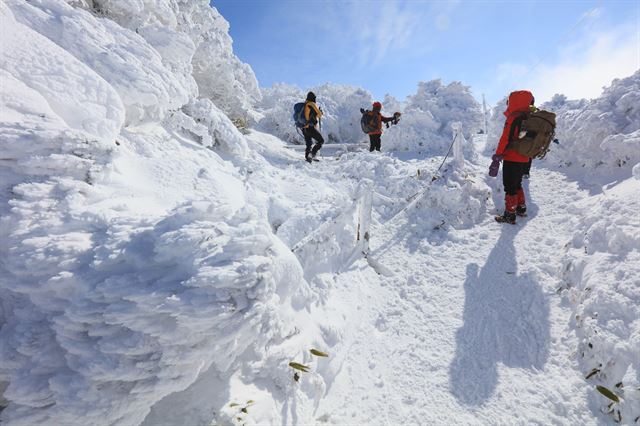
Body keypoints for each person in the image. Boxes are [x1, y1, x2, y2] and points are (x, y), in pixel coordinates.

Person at [491, 90, 536, 224]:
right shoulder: (530, 117)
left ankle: (509, 214)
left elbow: (505, 138)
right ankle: (521, 208)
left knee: (509, 186)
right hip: (524, 157)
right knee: (517, 183)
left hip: (512, 157)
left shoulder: (513, 118)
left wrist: (497, 155)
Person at [301, 91, 324, 163]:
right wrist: (321, 112)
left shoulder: (306, 104)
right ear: (313, 98)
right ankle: (311, 155)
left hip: (304, 127)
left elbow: (312, 115)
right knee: (321, 141)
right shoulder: (312, 104)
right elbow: (319, 114)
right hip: (310, 127)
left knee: (309, 143)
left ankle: (308, 157)